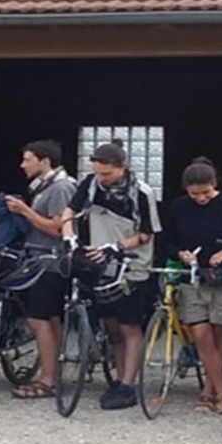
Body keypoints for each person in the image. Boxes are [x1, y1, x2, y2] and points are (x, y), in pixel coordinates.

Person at [57, 140, 161, 411]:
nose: (102, 179)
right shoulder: (90, 184)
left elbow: (146, 233)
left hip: (131, 264)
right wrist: (69, 237)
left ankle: (128, 385)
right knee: (112, 326)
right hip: (99, 262)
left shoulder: (141, 192)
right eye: (98, 173)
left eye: (107, 174)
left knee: (129, 325)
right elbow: (70, 211)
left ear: (123, 167)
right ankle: (118, 377)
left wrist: (117, 246)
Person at [157, 157, 222, 414]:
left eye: (206, 193)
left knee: (220, 334)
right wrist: (181, 253)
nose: (201, 198)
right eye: (194, 194)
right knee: (201, 334)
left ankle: (208, 390)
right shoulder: (179, 207)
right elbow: (167, 241)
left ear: (215, 184)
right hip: (193, 276)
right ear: (186, 190)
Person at [2, 140, 77, 399]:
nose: (23, 165)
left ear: (45, 161)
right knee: (50, 319)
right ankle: (51, 373)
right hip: (39, 259)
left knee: (39, 318)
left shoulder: (61, 188)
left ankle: (47, 380)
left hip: (51, 261)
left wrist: (24, 211)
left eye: (27, 159)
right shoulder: (45, 187)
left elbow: (58, 227)